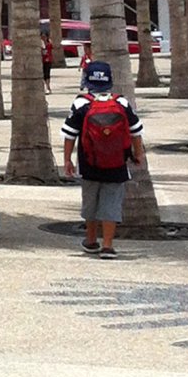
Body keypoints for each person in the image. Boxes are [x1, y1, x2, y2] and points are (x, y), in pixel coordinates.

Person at [62, 58, 146, 256]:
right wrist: (138, 154)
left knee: (90, 202)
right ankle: (108, 245)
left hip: (89, 163)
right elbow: (136, 131)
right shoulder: (121, 102)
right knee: (111, 203)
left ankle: (91, 241)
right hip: (117, 163)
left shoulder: (81, 103)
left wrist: (67, 159)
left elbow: (69, 134)